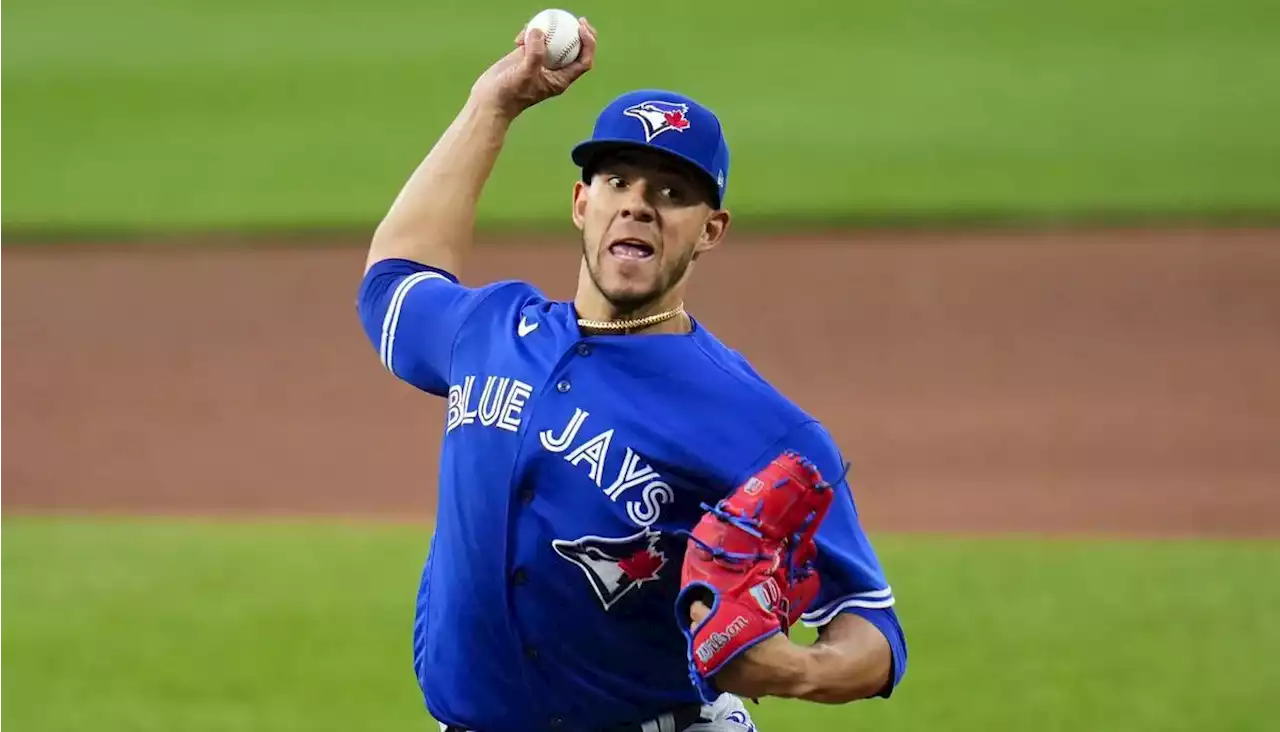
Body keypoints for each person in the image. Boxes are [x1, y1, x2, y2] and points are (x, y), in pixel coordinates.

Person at [354, 17, 907, 732]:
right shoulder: (489, 331)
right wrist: (494, 104)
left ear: (711, 229)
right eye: (618, 179)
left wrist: (794, 670)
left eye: (673, 192)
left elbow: (873, 631)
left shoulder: (760, 426)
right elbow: (394, 281)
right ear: (584, 203)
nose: (639, 203)